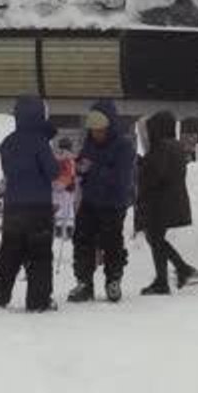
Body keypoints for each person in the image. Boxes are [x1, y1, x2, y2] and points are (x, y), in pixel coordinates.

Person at [0, 96, 59, 312]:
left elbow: (12, 172)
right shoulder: (40, 142)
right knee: (39, 255)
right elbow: (52, 171)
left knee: (10, 253)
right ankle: (38, 302)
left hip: (13, 206)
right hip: (38, 207)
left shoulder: (7, 143)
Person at [67, 100, 136, 303]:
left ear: (110, 126)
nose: (97, 134)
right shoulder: (89, 143)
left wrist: (93, 168)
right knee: (82, 241)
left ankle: (113, 281)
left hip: (113, 203)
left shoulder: (124, 146)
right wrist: (79, 167)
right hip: (90, 201)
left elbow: (121, 177)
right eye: (94, 130)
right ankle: (84, 283)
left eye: (101, 130)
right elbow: (84, 165)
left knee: (112, 243)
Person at [134, 111, 196, 295]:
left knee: (154, 238)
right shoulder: (175, 145)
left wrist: (140, 165)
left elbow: (155, 173)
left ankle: (178, 271)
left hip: (161, 202)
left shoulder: (162, 146)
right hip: (172, 200)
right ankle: (169, 276)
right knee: (156, 238)